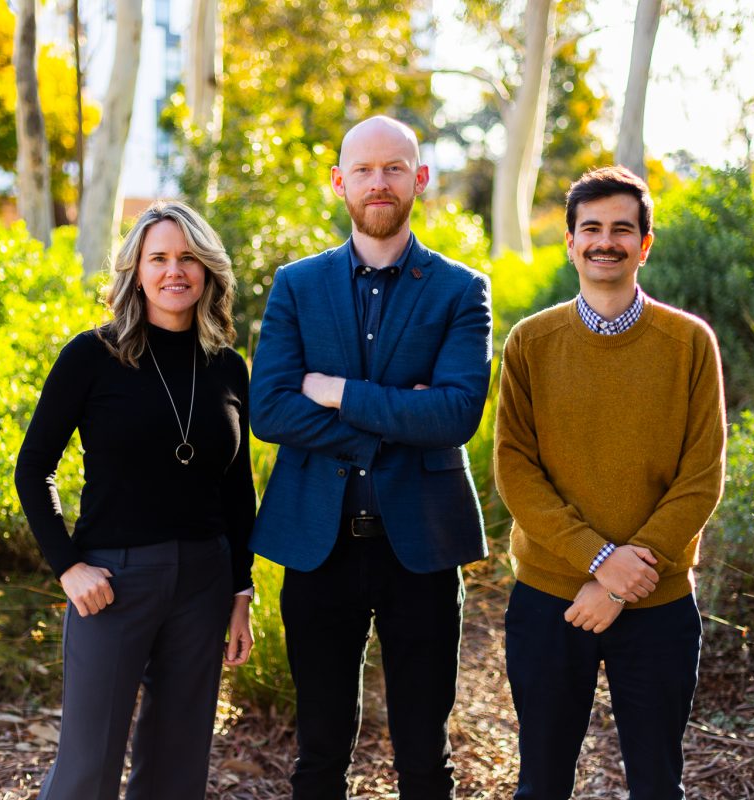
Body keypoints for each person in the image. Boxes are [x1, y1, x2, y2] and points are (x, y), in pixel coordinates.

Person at [248, 115, 493, 799]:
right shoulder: (297, 285)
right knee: (320, 753)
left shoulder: (459, 289)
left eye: (393, 168)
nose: (378, 182)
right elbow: (269, 410)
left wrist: (337, 393)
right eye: (363, 170)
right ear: (339, 183)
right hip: (317, 547)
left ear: (419, 177)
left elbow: (454, 415)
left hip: (422, 546)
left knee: (424, 755)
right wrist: (392, 417)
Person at [494, 165, 727, 800]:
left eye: (622, 229)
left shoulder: (688, 344)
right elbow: (515, 468)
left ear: (644, 244)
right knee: (542, 784)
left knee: (657, 785)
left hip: (658, 603)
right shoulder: (530, 343)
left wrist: (625, 580)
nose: (605, 241)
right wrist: (599, 562)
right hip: (551, 599)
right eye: (590, 228)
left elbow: (702, 476)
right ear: (569, 242)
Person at [14, 200, 255, 799]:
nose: (175, 271)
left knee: (177, 769)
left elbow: (237, 485)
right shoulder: (91, 355)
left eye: (189, 258)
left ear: (208, 271)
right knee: (87, 769)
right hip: (112, 582)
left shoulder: (227, 366)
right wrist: (68, 566)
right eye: (159, 258)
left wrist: (240, 591)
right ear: (136, 271)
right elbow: (32, 469)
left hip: (204, 579)